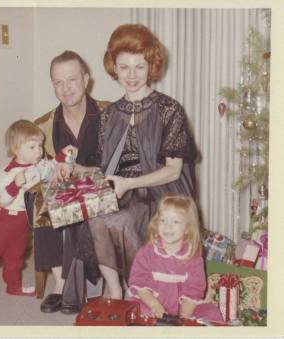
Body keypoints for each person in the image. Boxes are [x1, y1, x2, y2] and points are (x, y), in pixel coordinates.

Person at [85, 24, 198, 300]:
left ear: (152, 66)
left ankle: (142, 290)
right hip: (121, 188)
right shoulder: (108, 115)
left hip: (161, 191)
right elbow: (102, 169)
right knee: (95, 218)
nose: (132, 75)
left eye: (139, 66)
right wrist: (72, 168)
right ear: (114, 67)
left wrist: (129, 183)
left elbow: (173, 171)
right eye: (124, 67)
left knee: (124, 220)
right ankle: (115, 290)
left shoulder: (169, 109)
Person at [0, 120, 76, 296]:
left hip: (22, 223)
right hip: (1, 222)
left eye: (40, 146)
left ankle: (13, 286)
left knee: (15, 257)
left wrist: (63, 155)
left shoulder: (38, 165)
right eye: (32, 147)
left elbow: (51, 166)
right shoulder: (8, 171)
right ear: (16, 149)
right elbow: (0, 198)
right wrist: (14, 185)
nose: (39, 151)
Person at [32, 50, 111, 314]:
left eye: (72, 80)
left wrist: (82, 170)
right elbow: (35, 168)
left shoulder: (108, 114)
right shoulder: (43, 125)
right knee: (36, 196)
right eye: (58, 82)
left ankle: (89, 283)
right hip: (62, 195)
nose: (66, 89)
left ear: (86, 79)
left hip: (101, 188)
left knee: (82, 203)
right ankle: (61, 283)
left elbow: (119, 165)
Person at [126, 195, 223, 322]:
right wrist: (155, 306)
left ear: (187, 228)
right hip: (152, 304)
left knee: (212, 313)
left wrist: (183, 318)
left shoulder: (193, 256)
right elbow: (140, 284)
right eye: (163, 220)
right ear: (157, 222)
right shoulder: (146, 252)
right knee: (135, 309)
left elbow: (194, 290)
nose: (168, 226)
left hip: (182, 309)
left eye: (175, 222)